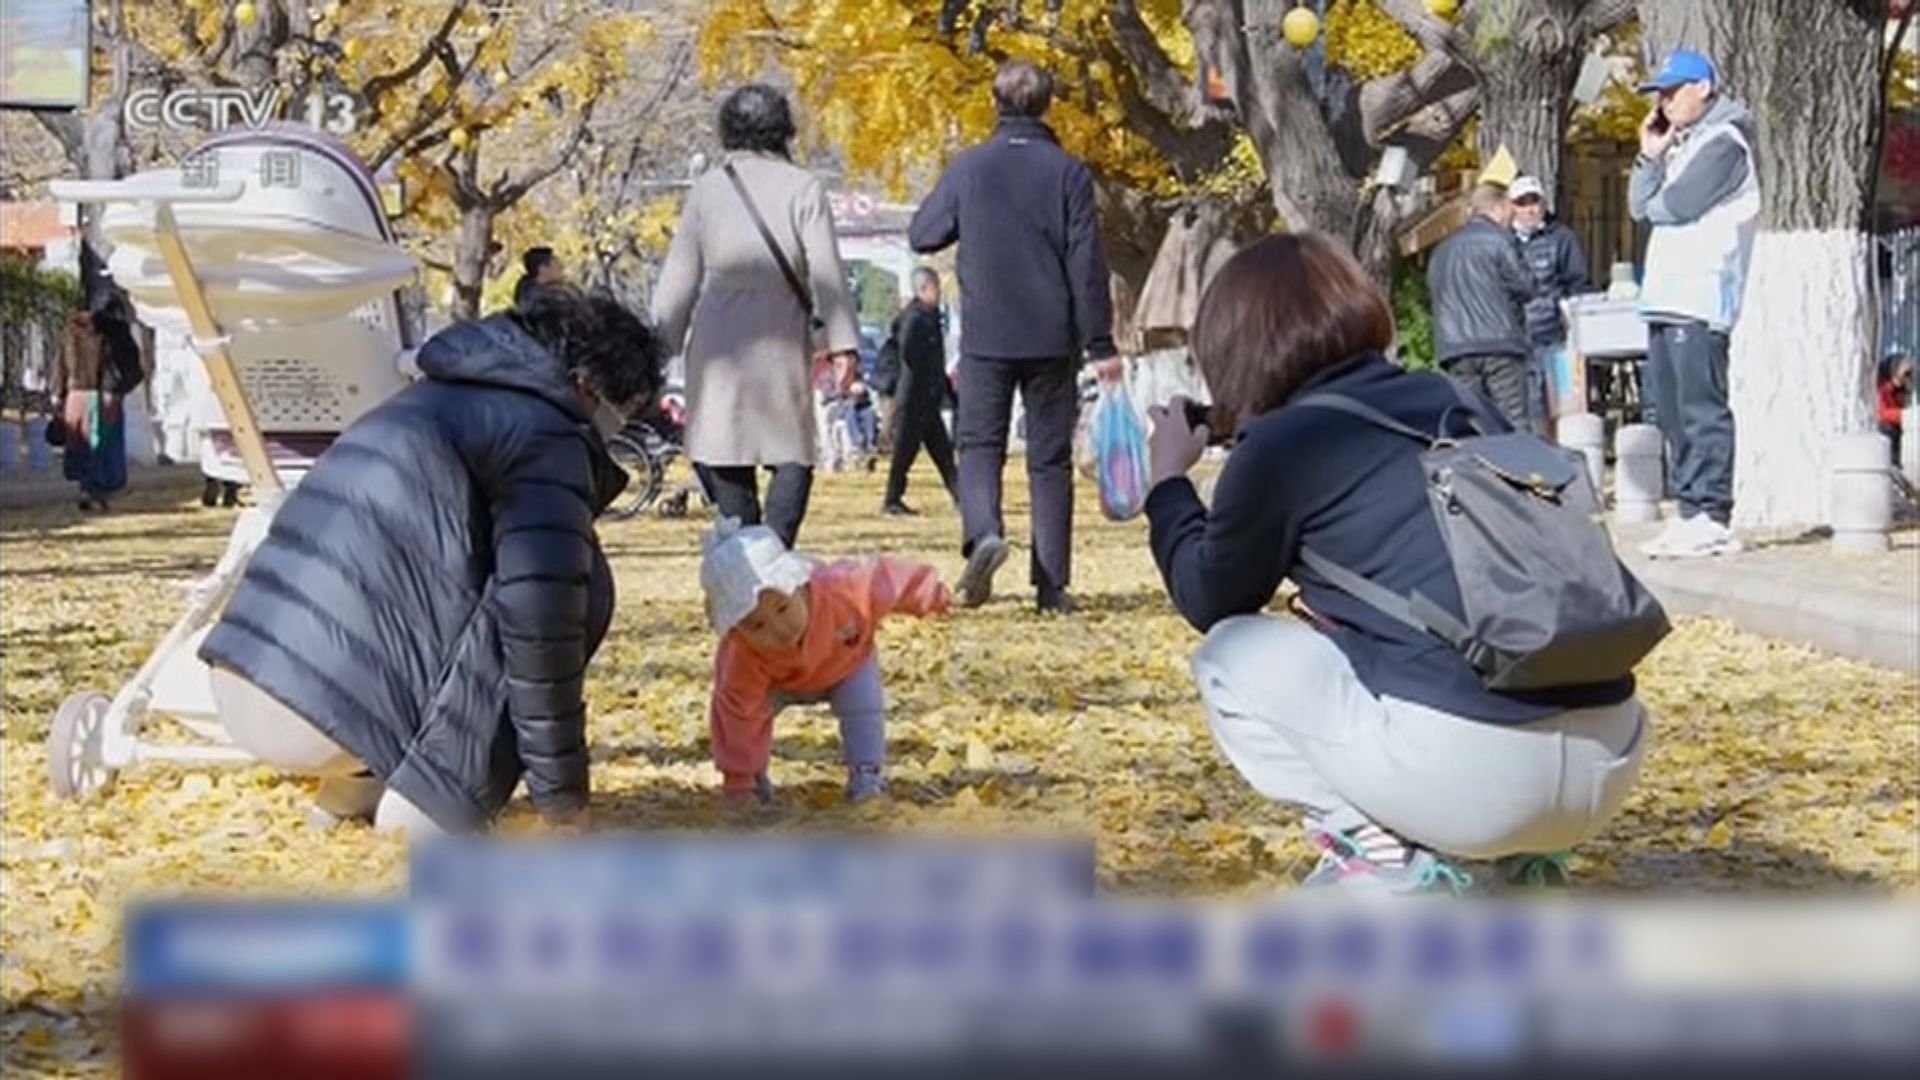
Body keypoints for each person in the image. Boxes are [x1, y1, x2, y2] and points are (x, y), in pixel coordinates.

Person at [1144, 233, 1649, 894]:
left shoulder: (1280, 448)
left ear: (1232, 352)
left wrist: (1167, 484)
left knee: (1229, 653)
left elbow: (1209, 596)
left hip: (1475, 778)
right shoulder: (1461, 402)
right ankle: (1514, 866)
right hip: (1611, 754)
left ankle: (1380, 848)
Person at [198, 285, 661, 835]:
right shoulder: (545, 434)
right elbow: (543, 634)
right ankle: (427, 803)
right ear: (587, 386)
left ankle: (354, 784)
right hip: (327, 711)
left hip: (242, 677)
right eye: (621, 415)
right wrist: (564, 804)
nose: (614, 433)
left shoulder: (427, 398)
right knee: (573, 585)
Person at [909, 60, 1117, 614]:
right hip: (1053, 336)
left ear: (995, 104)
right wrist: (1100, 343)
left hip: (986, 335)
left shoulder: (970, 169)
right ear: (1047, 105)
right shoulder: (1068, 173)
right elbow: (1087, 266)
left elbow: (922, 234)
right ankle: (1050, 585)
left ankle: (984, 535)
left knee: (979, 446)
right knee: (1049, 461)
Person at [652, 84, 862, 549]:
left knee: (722, 445)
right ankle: (777, 551)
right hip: (781, 333)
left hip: (718, 338)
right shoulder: (804, 187)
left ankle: (744, 549)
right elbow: (826, 269)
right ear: (783, 128)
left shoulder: (707, 191)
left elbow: (679, 278)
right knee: (791, 450)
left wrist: (659, 346)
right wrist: (843, 342)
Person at [702, 519, 950, 807]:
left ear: (798, 582)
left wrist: (933, 595)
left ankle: (866, 774)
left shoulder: (842, 591)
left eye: (783, 608)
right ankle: (752, 779)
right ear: (735, 628)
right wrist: (737, 782)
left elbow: (887, 581)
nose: (779, 629)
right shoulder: (741, 653)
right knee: (746, 711)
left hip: (845, 663)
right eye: (756, 626)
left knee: (863, 706)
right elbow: (736, 714)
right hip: (776, 681)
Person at [1629, 49, 1760, 560]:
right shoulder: (1683, 144)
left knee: (1700, 408)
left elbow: (1674, 205)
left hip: (1704, 293)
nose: (1665, 103)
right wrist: (1649, 157)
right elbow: (1642, 206)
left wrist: (1661, 195)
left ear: (1703, 87)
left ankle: (1713, 512)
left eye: (1673, 91)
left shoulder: (1725, 141)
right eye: (1660, 93)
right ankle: (1689, 510)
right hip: (1667, 296)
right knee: (1672, 411)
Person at [1429, 184, 1537, 427]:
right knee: (1513, 423)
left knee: (1472, 422)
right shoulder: (1501, 241)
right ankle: (1517, 465)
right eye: (1510, 208)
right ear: (1498, 207)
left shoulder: (1442, 250)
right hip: (1500, 343)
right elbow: (1526, 285)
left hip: (1455, 348)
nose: (1513, 216)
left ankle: (1477, 465)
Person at [1509, 175, 1591, 435]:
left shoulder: (1562, 238)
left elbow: (1579, 283)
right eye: (1522, 203)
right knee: (1528, 406)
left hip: (1557, 337)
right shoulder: (1502, 241)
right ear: (1512, 207)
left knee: (1564, 403)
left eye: (1534, 201)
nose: (1530, 209)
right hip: (1517, 339)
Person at [53, 286, 142, 512]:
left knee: (80, 443)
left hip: (76, 394)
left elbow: (59, 363)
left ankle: (86, 487)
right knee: (103, 445)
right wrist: (124, 386)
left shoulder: (71, 330)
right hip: (105, 393)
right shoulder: (116, 330)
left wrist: (58, 394)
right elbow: (131, 365)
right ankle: (96, 491)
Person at [882, 267, 959, 515]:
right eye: (936, 287)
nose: (940, 293)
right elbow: (909, 352)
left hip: (927, 397)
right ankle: (891, 500)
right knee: (904, 451)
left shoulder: (930, 316)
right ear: (924, 289)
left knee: (943, 453)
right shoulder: (915, 318)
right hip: (913, 396)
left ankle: (961, 498)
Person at [1880, 350, 1913, 465]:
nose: (1907, 378)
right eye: (1905, 374)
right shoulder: (1885, 389)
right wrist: (1905, 415)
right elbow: (1883, 413)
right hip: (1888, 430)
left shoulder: (1903, 391)